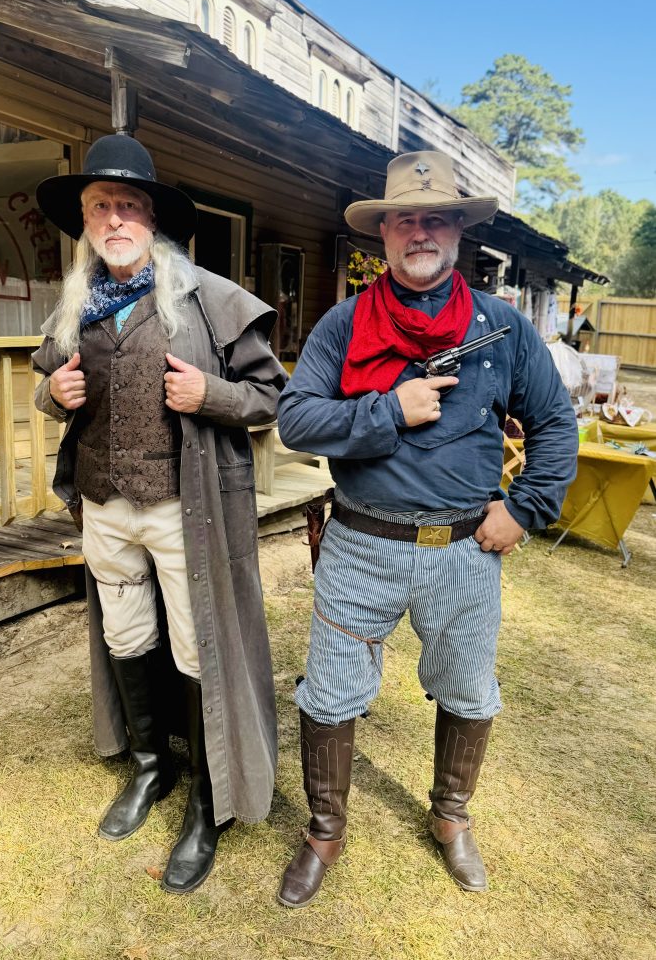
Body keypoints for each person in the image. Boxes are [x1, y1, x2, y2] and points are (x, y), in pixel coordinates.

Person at [276, 151, 578, 907]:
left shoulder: (502, 328)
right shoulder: (344, 324)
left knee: (469, 689)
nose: (420, 232)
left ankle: (451, 817)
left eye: (435, 218)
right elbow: (295, 419)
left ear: (457, 232)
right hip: (359, 544)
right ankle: (324, 832)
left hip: (464, 549)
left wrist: (524, 509)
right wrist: (389, 409)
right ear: (383, 233)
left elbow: (554, 424)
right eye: (405, 219)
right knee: (329, 693)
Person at [32, 133, 286, 894]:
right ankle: (152, 767)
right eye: (98, 206)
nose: (114, 219)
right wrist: (53, 395)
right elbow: (47, 382)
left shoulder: (210, 299)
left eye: (128, 205)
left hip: (186, 509)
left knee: (197, 647)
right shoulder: (75, 304)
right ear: (85, 221)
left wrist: (211, 395)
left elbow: (272, 398)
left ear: (153, 219)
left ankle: (207, 803)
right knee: (126, 635)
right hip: (104, 507)